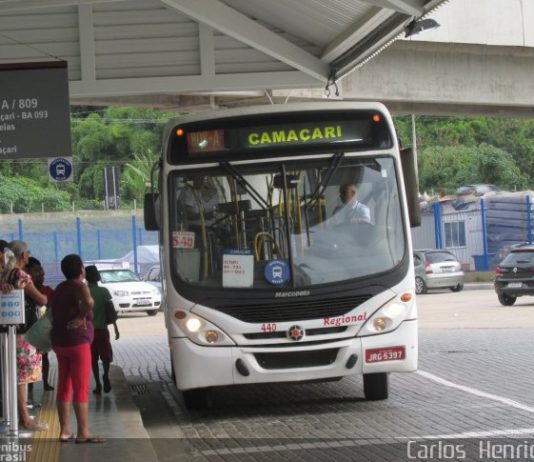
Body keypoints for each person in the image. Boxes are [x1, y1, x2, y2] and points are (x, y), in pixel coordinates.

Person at [51, 254, 105, 443]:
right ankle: (83, 432)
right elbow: (89, 302)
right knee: (81, 387)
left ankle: (64, 430)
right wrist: (83, 316)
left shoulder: (60, 288)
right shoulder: (80, 286)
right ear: (81, 270)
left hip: (60, 342)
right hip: (77, 343)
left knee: (64, 385)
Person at [5, 240, 48, 431]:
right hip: (22, 333)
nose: (28, 256)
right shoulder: (20, 275)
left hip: (7, 331)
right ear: (23, 255)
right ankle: (25, 418)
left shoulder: (4, 274)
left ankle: (13, 415)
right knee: (21, 377)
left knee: (11, 375)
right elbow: (41, 298)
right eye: (27, 253)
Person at [85, 265, 119, 395]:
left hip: (88, 332)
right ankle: (106, 374)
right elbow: (111, 312)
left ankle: (98, 383)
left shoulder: (84, 291)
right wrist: (115, 327)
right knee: (106, 357)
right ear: (97, 276)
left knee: (92, 359)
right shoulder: (104, 291)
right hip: (102, 330)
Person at [25, 257, 54, 391]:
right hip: (27, 331)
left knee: (44, 357)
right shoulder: (23, 290)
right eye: (36, 270)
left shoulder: (48, 290)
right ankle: (29, 385)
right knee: (26, 360)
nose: (41, 273)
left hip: (42, 332)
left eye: (41, 270)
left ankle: (45, 382)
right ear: (27, 271)